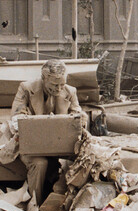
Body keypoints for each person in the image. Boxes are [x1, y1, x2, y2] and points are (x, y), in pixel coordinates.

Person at [10, 59, 83, 203]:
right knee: (39, 164)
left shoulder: (70, 91)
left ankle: (71, 202)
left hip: (61, 144)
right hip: (31, 145)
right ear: (44, 78)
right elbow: (16, 118)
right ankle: (35, 203)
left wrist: (82, 120)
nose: (59, 89)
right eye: (55, 85)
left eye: (62, 84)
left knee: (82, 161)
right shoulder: (26, 88)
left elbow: (79, 117)